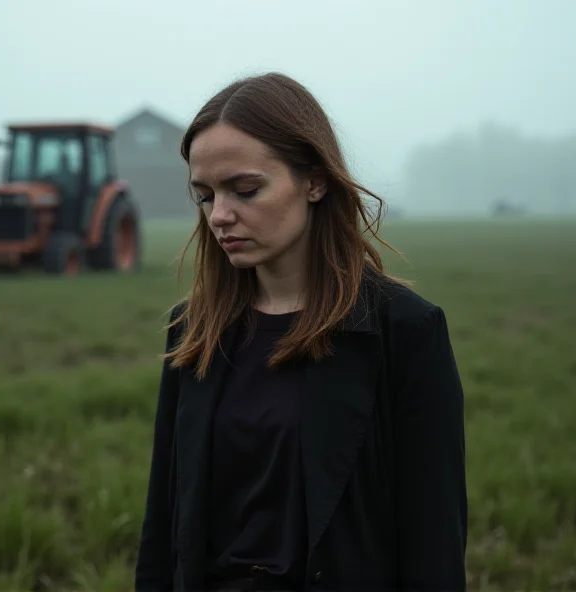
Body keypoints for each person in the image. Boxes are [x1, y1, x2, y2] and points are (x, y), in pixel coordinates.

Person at [134, 72, 467, 592]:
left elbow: (434, 545)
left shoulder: (405, 332)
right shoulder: (192, 330)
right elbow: (163, 526)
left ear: (314, 180)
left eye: (245, 189)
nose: (220, 215)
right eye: (205, 195)